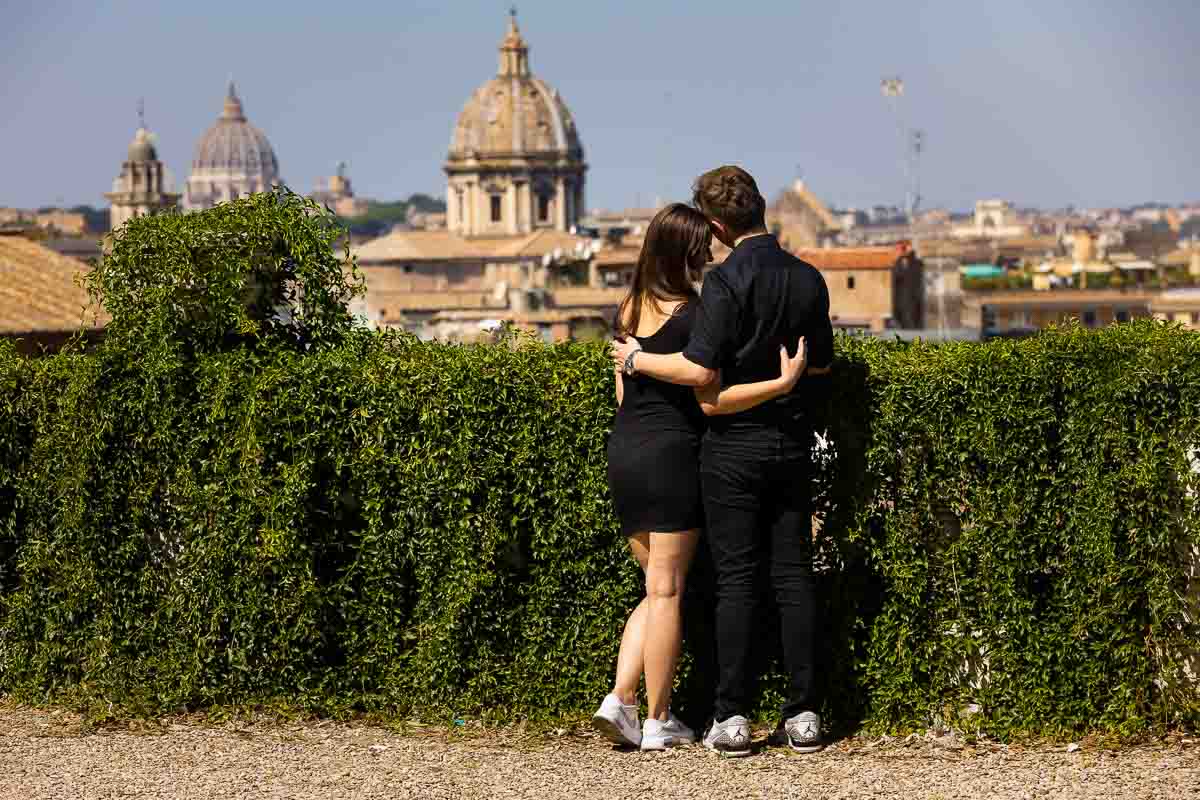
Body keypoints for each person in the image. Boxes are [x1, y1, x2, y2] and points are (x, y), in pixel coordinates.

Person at [611, 166, 834, 756]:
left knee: (734, 582)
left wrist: (635, 362)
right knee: (793, 576)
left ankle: (730, 715)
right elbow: (822, 370)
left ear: (715, 225)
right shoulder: (810, 279)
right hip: (791, 446)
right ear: (761, 208)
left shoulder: (724, 286)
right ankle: (805, 711)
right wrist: (787, 386)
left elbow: (705, 389)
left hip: (731, 451)